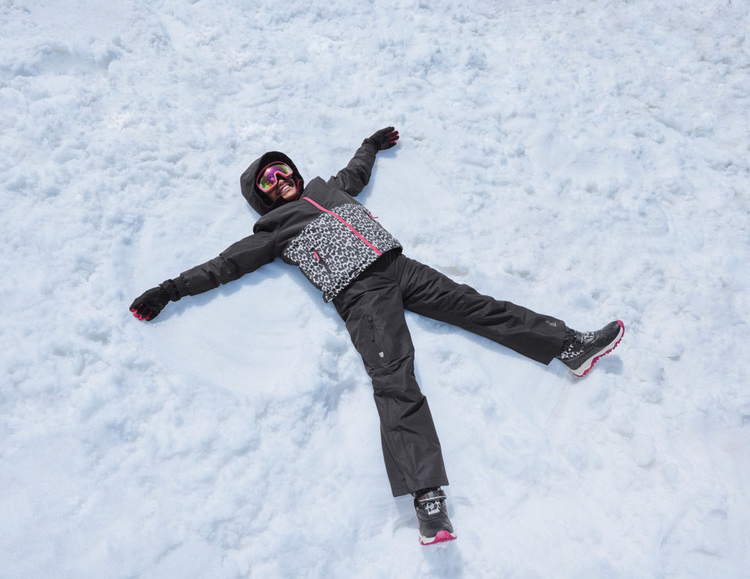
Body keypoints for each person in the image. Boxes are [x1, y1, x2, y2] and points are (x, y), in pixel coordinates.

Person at [129, 127, 624, 545]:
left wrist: (369, 145)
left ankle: (570, 346)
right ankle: (427, 500)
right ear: (260, 195)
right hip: (361, 297)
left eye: (282, 170)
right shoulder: (272, 230)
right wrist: (168, 290)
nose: (279, 181)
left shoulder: (328, 188)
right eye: (268, 180)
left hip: (400, 267)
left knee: (478, 306)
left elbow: (357, 172)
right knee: (395, 380)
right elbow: (222, 266)